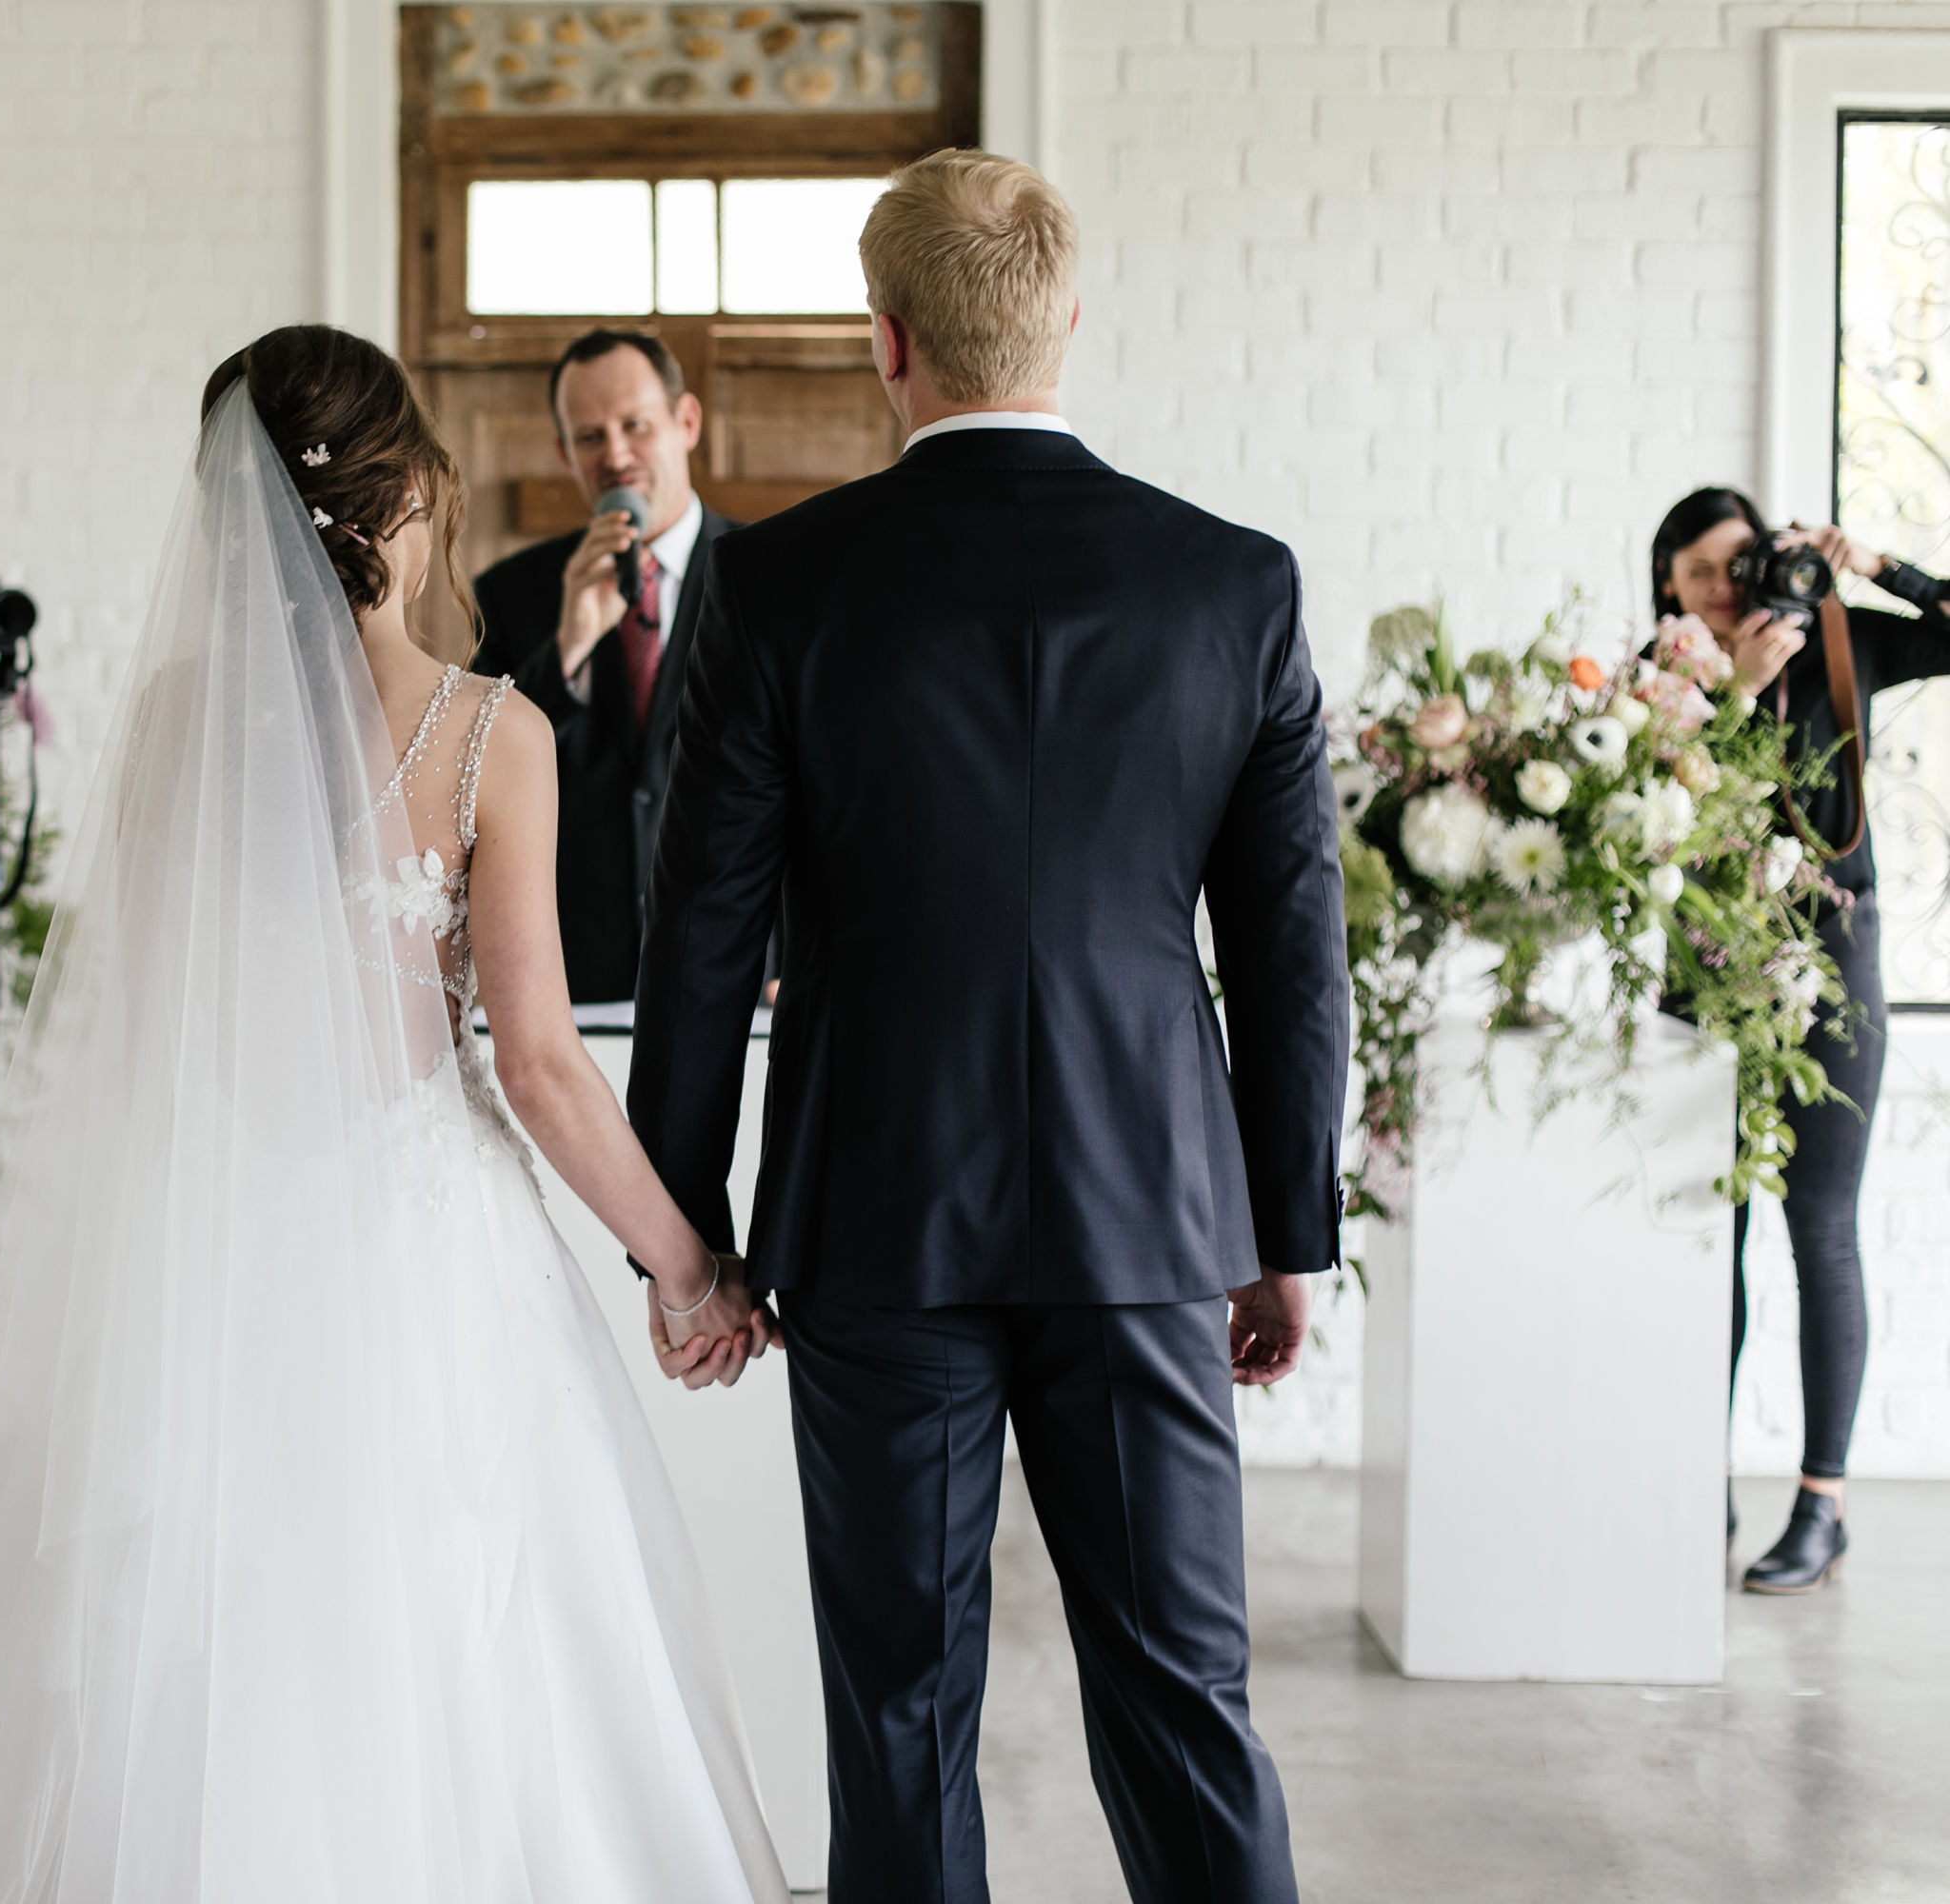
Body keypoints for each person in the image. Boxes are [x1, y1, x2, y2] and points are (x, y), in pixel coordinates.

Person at [0, 326, 785, 1902]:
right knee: (473, 1646)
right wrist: (690, 1267)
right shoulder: (490, 734)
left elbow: (137, 1026)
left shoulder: (171, 724)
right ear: (413, 502)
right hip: (430, 1264)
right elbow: (538, 1065)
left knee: (201, 1642)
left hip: (217, 1252)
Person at [630, 149, 1344, 1903]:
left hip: (878, 1221)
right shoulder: (1234, 583)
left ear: (887, 340)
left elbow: (701, 938)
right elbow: (1290, 953)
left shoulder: (777, 586)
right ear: (1069, 322)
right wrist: (1286, 1233)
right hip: (1150, 1218)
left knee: (898, 1713)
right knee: (1185, 1700)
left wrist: (684, 1238)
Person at [1652, 486, 1950, 1593]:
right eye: (1698, 573)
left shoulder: (1839, 640)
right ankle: (1698, 1479)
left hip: (1833, 954)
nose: (1723, 589)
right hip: (1708, 958)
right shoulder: (1659, 673)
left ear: (1776, 560)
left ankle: (1822, 1503)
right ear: (1668, 584)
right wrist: (1729, 691)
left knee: (1820, 1225)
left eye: (1739, 564)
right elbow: (1643, 807)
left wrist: (1872, 565)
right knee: (1706, 1231)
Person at [471, 330, 741, 1003]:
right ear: (565, 452)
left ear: (686, 422)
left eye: (635, 426)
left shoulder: (771, 575)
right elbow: (475, 779)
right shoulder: (513, 594)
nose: (615, 456)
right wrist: (568, 646)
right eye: (589, 437)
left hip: (738, 972)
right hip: (569, 980)